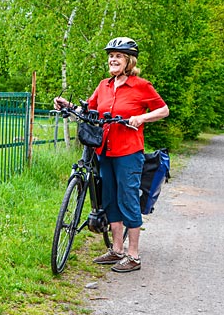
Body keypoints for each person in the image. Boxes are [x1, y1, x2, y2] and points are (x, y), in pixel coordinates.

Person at [54, 37, 169, 273]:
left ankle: (133, 255)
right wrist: (68, 106)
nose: (112, 59)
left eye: (118, 56)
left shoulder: (141, 86)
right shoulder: (103, 86)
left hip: (129, 152)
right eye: (110, 56)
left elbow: (163, 110)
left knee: (128, 199)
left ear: (128, 61)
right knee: (110, 200)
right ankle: (116, 250)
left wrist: (142, 118)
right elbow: (90, 110)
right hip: (104, 150)